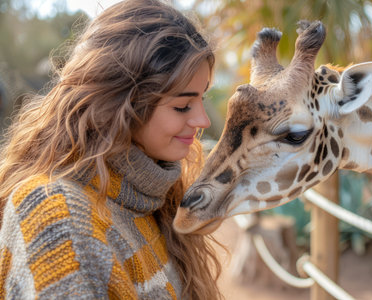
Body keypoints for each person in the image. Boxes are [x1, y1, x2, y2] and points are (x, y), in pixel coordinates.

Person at [0, 0, 223, 299]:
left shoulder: (156, 200)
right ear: (120, 103)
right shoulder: (56, 214)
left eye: (201, 100)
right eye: (182, 106)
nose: (202, 121)